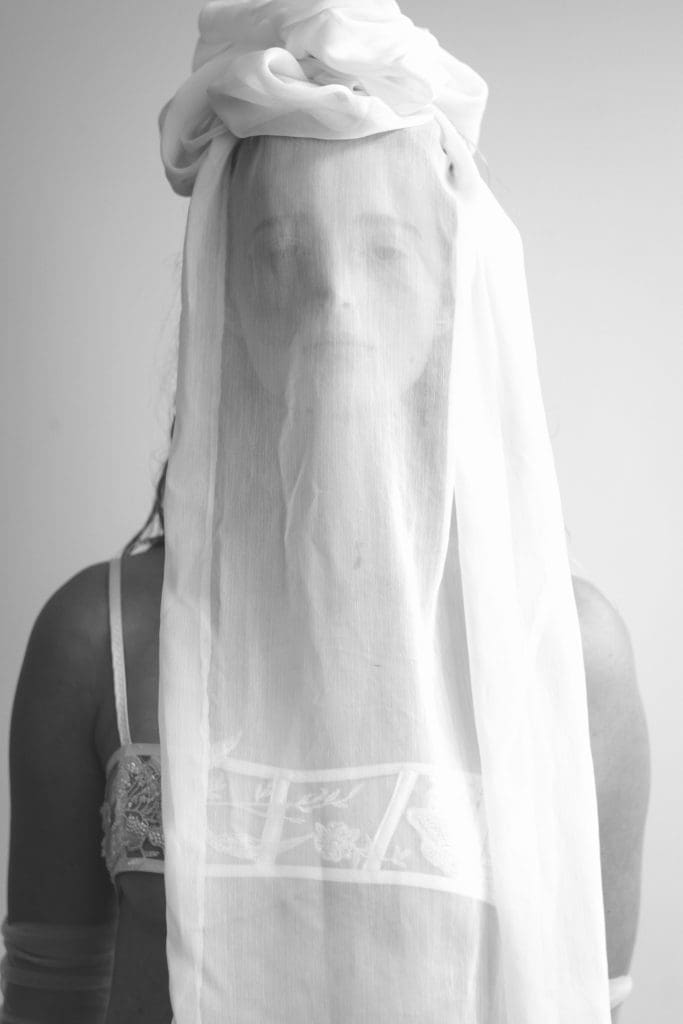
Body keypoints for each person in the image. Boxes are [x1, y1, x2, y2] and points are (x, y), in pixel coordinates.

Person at [2, 2, 650, 1022]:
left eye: (384, 252)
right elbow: (46, 1000)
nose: (334, 301)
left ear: (446, 299)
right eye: (281, 252)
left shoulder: (569, 653)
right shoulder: (96, 642)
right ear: (228, 298)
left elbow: (594, 1001)